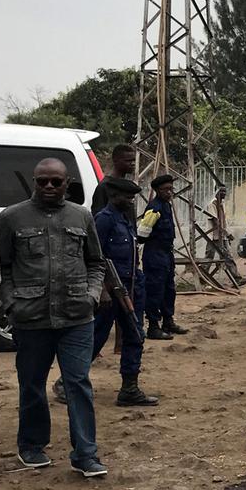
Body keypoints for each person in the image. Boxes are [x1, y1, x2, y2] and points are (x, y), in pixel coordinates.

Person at [0, 158, 107, 477]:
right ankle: (32, 446)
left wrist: (91, 294)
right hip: (31, 318)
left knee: (78, 384)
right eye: (42, 180)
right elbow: (1, 266)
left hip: (76, 317)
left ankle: (85, 454)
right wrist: (11, 301)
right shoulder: (12, 217)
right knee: (32, 385)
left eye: (55, 181)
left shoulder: (81, 215)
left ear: (66, 183)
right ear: (34, 181)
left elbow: (96, 262)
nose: (48, 186)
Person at [92, 177, 158, 407]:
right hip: (111, 291)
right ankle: (69, 381)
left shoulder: (124, 219)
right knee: (96, 336)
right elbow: (95, 257)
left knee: (134, 335)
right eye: (127, 197)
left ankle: (129, 388)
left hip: (130, 288)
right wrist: (103, 290)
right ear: (113, 196)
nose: (131, 201)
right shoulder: (104, 220)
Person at [139, 174, 187, 339]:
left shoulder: (166, 206)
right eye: (165, 189)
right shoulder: (154, 208)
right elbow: (142, 234)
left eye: (170, 189)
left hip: (167, 254)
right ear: (157, 190)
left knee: (169, 289)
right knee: (155, 290)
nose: (169, 192)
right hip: (155, 255)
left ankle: (168, 321)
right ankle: (153, 326)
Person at [205, 186, 241, 285]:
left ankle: (237, 278)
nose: (224, 193)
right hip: (213, 236)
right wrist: (227, 234)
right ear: (216, 191)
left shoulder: (222, 203)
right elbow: (215, 222)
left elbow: (224, 221)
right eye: (221, 191)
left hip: (223, 236)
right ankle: (202, 277)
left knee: (228, 256)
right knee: (209, 257)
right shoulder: (212, 204)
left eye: (225, 191)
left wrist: (227, 233)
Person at [90, 144, 137, 216]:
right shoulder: (104, 187)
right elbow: (98, 216)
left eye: (134, 160)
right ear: (115, 161)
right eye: (128, 161)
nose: (133, 163)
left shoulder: (127, 185)